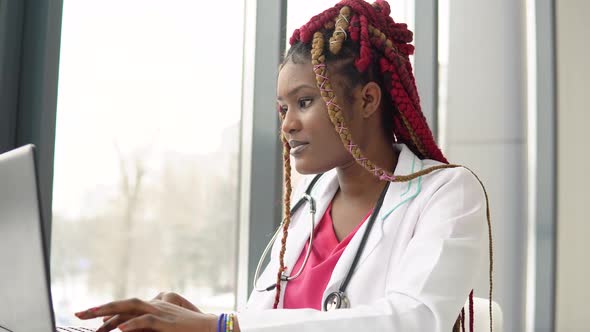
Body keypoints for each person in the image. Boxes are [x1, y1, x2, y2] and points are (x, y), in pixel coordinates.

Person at [75, 0, 493, 331]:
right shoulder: (305, 215)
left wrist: (218, 326)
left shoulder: (447, 194)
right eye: (282, 108)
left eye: (305, 102)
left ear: (367, 100)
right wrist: (191, 321)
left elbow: (414, 321)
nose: (288, 124)